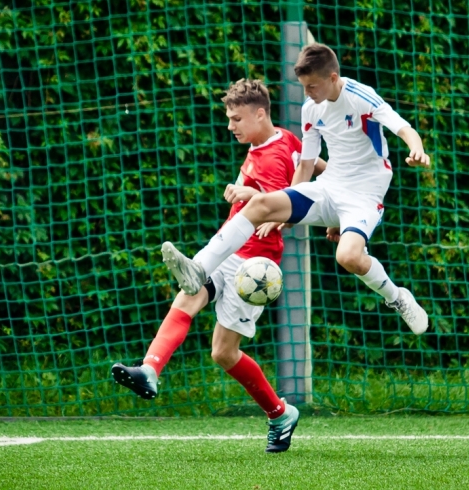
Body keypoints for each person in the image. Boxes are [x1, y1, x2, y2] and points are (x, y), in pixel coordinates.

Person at [112, 78, 326, 453]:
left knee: (223, 353)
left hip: (254, 266)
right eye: (229, 118)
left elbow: (286, 212)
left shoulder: (274, 156)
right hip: (228, 252)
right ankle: (149, 370)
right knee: (187, 297)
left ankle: (280, 413)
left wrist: (254, 194)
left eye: (237, 118)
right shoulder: (282, 140)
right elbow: (316, 167)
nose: (231, 125)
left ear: (261, 114)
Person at [161, 43, 431, 335]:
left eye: (311, 86)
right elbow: (305, 165)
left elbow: (404, 128)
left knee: (348, 257)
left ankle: (397, 298)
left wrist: (417, 150)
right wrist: (288, 206)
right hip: (330, 187)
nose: (307, 93)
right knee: (261, 205)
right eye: (303, 86)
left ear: (332, 77)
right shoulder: (311, 108)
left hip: (364, 195)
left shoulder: (360, 97)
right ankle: (198, 268)